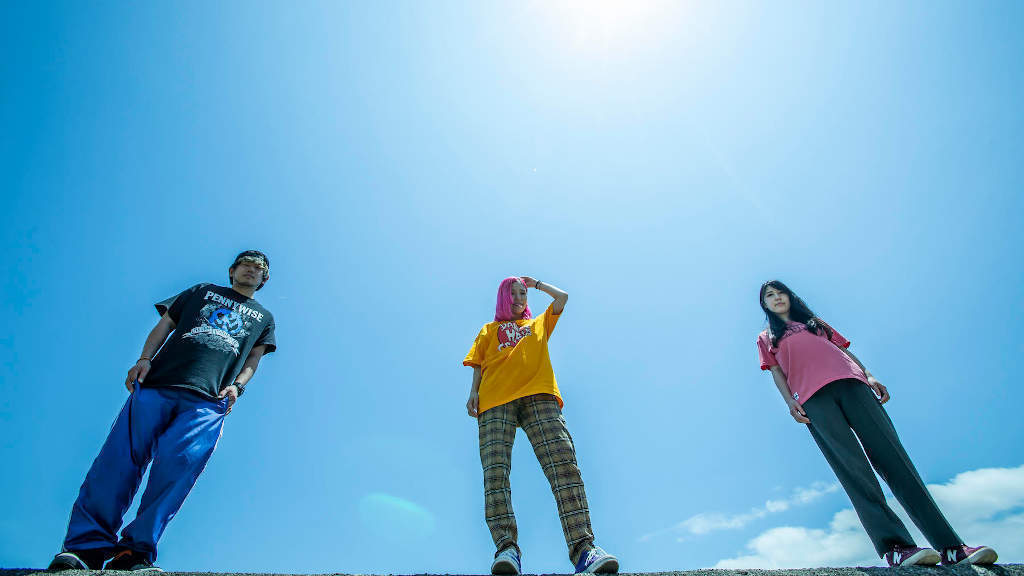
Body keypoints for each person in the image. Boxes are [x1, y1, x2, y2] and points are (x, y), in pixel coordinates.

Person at [48, 251, 278, 572]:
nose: (252, 270)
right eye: (246, 265)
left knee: (177, 470)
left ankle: (134, 553)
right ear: (232, 270)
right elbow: (166, 324)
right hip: (157, 384)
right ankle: (85, 549)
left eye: (259, 268)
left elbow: (253, 358)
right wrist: (144, 359)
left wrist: (237, 387)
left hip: (208, 400)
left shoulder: (264, 317)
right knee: (117, 463)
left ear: (264, 278)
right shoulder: (201, 290)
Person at [756, 280, 997, 567]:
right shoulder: (766, 337)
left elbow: (844, 351)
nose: (776, 297)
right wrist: (789, 402)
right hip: (813, 401)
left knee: (896, 461)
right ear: (765, 304)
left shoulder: (815, 323)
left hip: (854, 386)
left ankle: (952, 547)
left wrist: (868, 375)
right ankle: (897, 547)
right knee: (854, 471)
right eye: (769, 295)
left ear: (790, 296)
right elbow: (776, 372)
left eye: (780, 292)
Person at [463, 276, 618, 575]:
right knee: (495, 473)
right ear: (503, 297)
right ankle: (506, 549)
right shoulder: (488, 330)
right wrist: (473, 392)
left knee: (563, 464)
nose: (519, 298)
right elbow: (479, 363)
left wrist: (536, 284)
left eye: (523, 293)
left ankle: (584, 550)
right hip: (495, 400)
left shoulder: (538, 323)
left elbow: (562, 298)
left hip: (540, 395)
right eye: (513, 293)